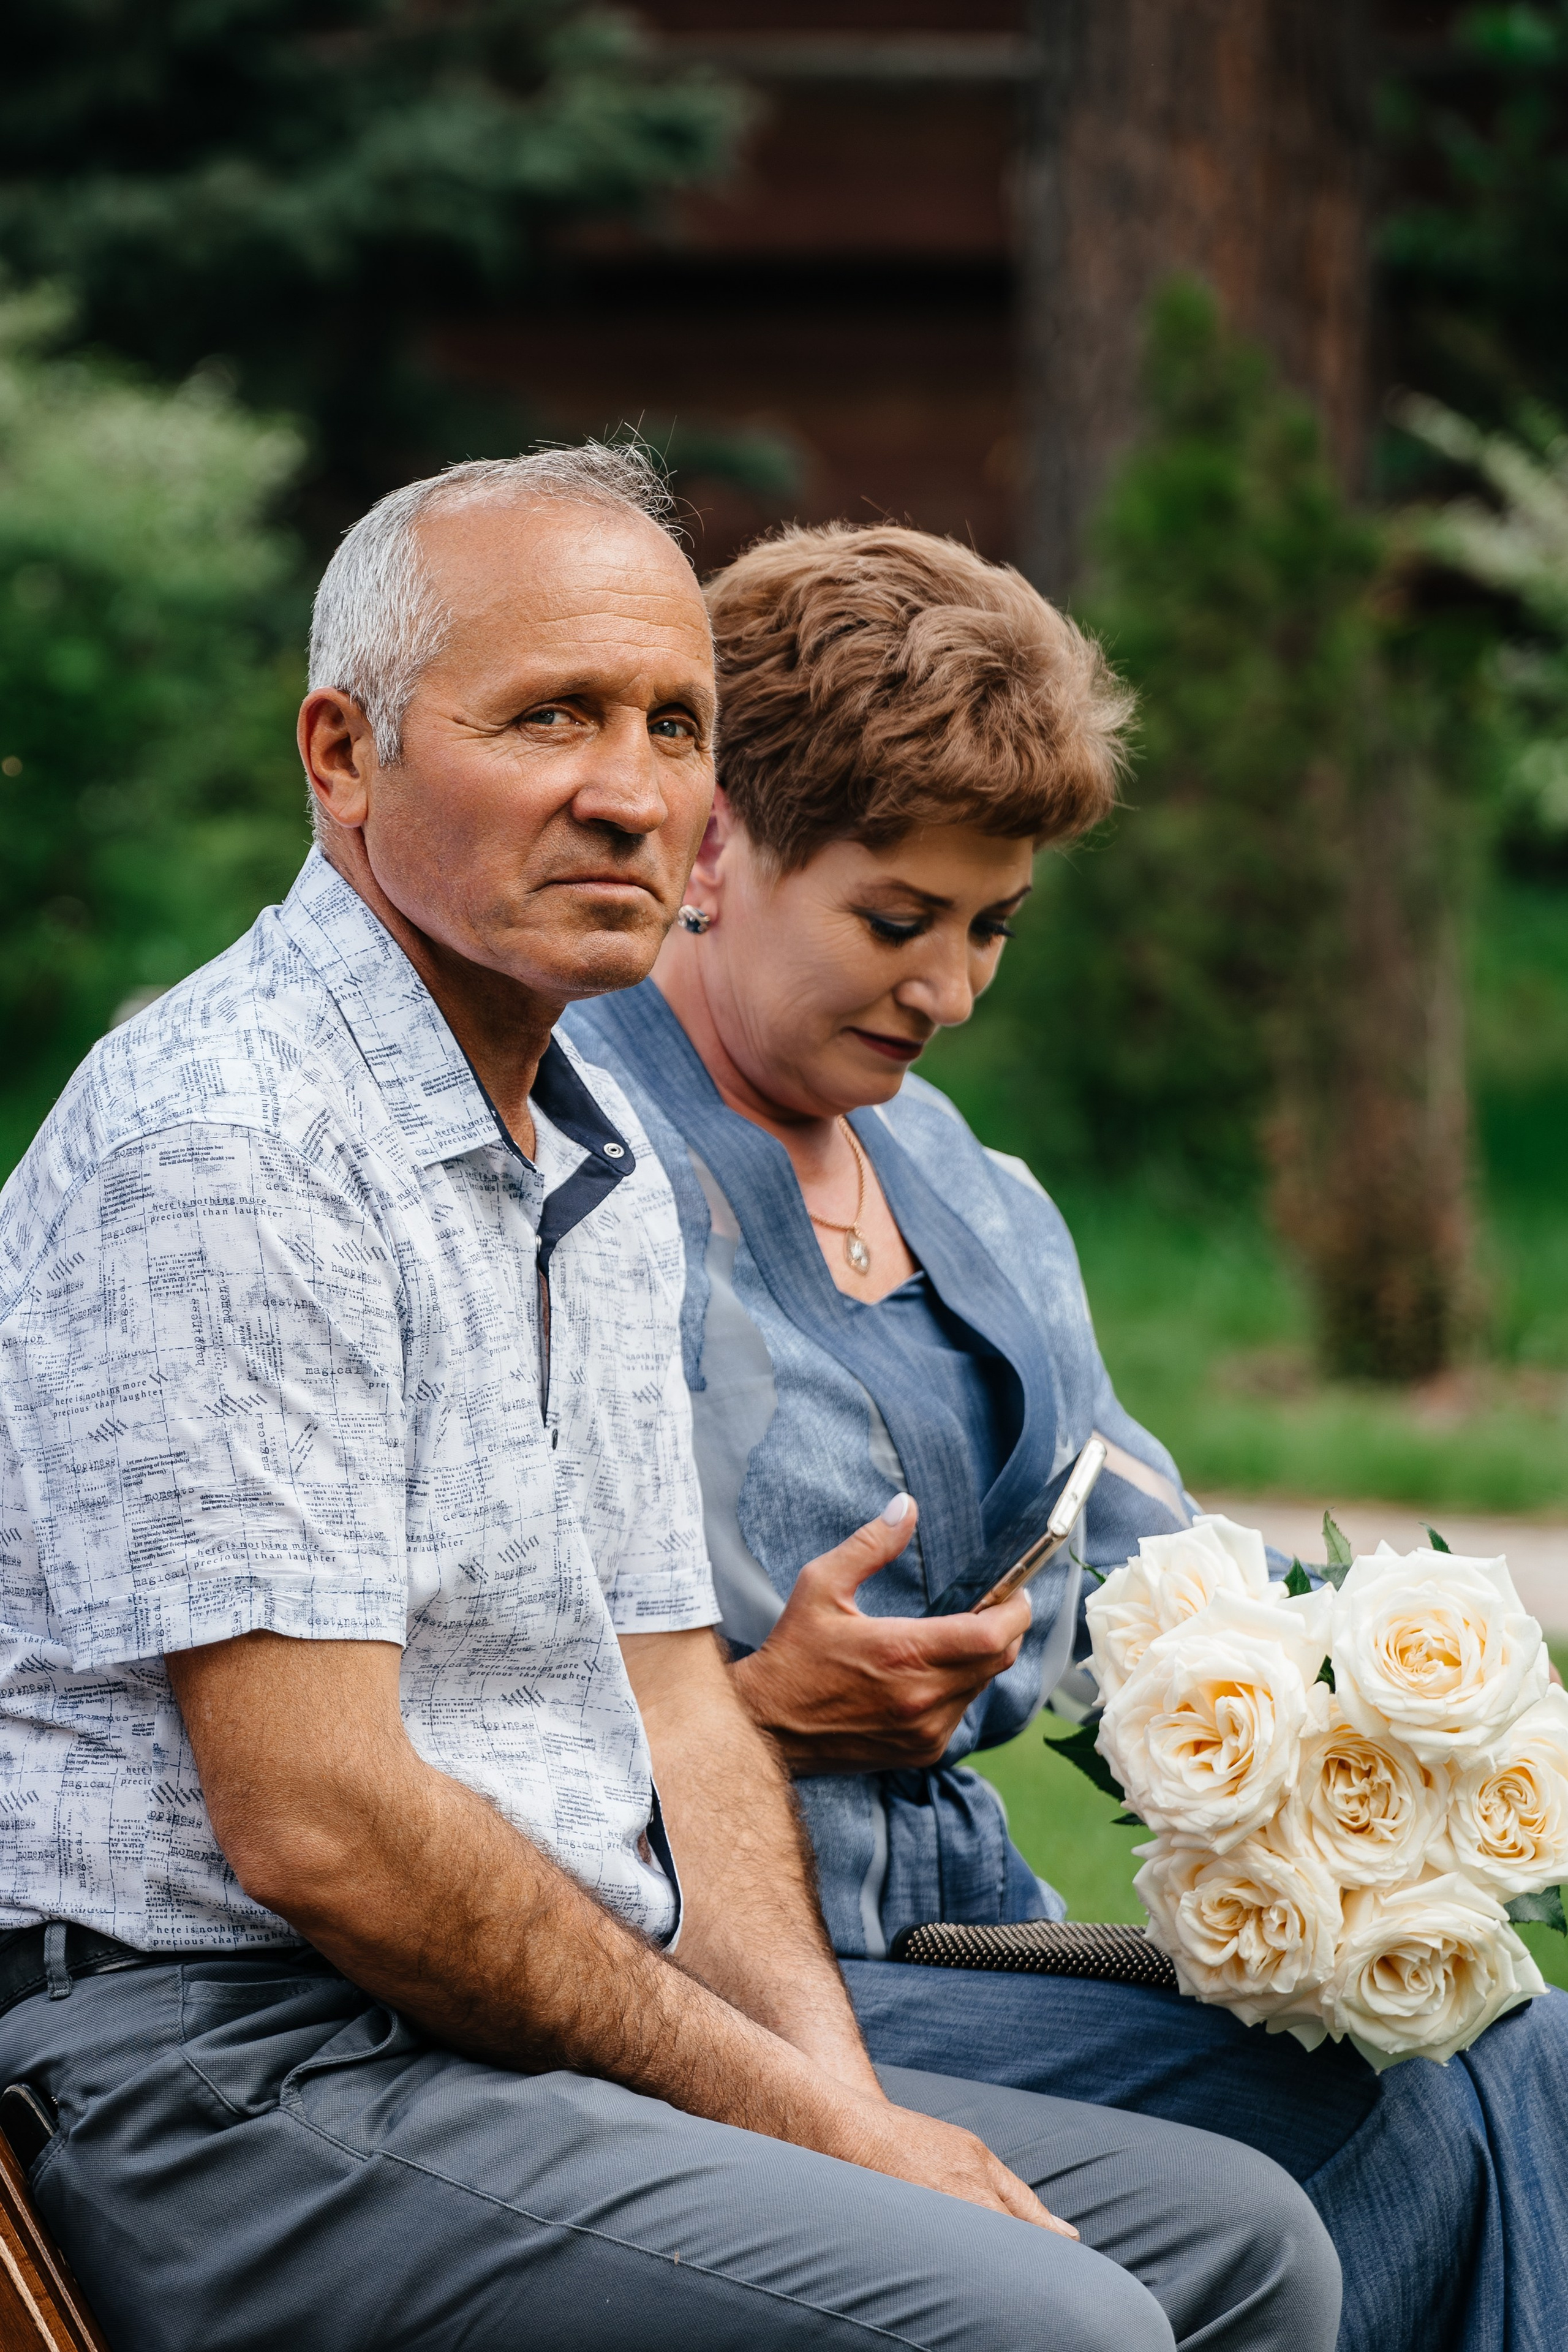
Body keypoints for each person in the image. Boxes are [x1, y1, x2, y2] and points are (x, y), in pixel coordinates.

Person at [0, 451, 1338, 2352]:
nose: (630, 791)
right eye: (549, 716)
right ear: (341, 755)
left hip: (498, 2029)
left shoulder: (591, 1155)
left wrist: (840, 2108)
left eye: (674, 726)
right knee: (1047, 2325)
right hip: (217, 2069)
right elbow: (322, 1830)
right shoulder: (237, 1140)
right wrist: (816, 2127)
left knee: (1235, 2239)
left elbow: (670, 1706)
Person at [564, 518, 1568, 2352]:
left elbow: (1160, 1566)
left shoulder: (974, 1189)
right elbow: (424, 1707)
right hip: (703, 1957)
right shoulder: (564, 1167)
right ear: (716, 847)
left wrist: (1428, 1739)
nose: (945, 990)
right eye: (896, 920)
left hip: (970, 1929)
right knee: (1358, 2109)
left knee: (1501, 2021)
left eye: (989, 928)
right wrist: (757, 1712)